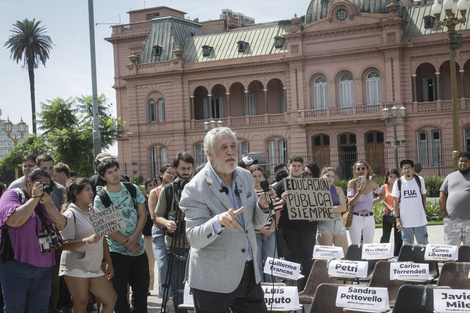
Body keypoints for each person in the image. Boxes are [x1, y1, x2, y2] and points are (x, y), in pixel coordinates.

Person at [179, 127, 271, 313]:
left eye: (233, 146)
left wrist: (263, 207)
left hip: (248, 274)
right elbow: (194, 238)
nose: (230, 151)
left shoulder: (245, 176)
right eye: (223, 147)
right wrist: (217, 222)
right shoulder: (194, 188)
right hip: (212, 280)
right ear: (209, 153)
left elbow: (256, 224)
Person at [0, 168, 67, 313]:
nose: (44, 188)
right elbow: (14, 220)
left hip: (43, 268)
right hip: (15, 266)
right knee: (14, 309)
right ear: (29, 182)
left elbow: (61, 224)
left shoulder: (45, 202)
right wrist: (34, 198)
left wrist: (48, 204)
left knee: (40, 309)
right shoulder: (12, 195)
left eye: (47, 185)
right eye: (40, 184)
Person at [93, 158, 149, 313]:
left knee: (141, 294)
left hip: (139, 251)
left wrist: (135, 238)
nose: (115, 174)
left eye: (116, 170)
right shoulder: (101, 197)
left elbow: (142, 215)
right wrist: (128, 243)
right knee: (119, 298)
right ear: (103, 177)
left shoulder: (132, 189)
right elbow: (107, 229)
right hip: (117, 254)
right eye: (109, 172)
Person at [59, 178, 117, 313]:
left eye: (91, 189)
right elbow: (63, 245)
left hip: (94, 265)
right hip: (76, 265)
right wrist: (86, 241)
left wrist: (108, 262)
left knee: (111, 298)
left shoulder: (95, 211)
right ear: (76, 194)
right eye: (87, 190)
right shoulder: (70, 214)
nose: (92, 192)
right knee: (81, 304)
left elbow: (103, 238)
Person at [155, 152, 194, 313]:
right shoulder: (168, 190)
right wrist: (167, 223)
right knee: (178, 289)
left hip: (195, 245)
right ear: (175, 168)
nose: (186, 172)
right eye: (183, 168)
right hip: (174, 247)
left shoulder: (199, 188)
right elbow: (157, 216)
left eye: (189, 168)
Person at [274, 155, 318, 290]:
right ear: (289, 166)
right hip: (289, 229)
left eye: (299, 166)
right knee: (291, 259)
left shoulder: (309, 183)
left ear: (302, 167)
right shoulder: (280, 185)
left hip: (308, 228)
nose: (296, 168)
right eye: (294, 166)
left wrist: (314, 213)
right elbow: (272, 206)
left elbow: (318, 203)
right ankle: (293, 288)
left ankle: (308, 289)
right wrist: (282, 201)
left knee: (307, 258)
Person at [35, 154, 66, 313]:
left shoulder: (59, 189)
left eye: (50, 168)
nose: (48, 171)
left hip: (52, 243)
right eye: (44, 168)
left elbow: (61, 221)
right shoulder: (19, 187)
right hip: (30, 245)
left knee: (54, 284)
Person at [149, 164, 176, 309]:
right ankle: (165, 301)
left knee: (175, 265)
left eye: (173, 173)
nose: (171, 175)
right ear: (160, 174)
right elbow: (154, 216)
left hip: (175, 232)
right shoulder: (155, 192)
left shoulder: (177, 190)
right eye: (168, 173)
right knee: (163, 265)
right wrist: (166, 223)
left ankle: (172, 300)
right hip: (159, 231)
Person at [250, 165, 282, 283]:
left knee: (272, 261)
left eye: (259, 176)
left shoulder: (270, 191)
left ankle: (274, 286)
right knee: (256, 262)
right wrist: (261, 229)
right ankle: (259, 287)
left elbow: (277, 211)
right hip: (254, 232)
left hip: (270, 232)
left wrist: (271, 229)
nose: (257, 179)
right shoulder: (248, 193)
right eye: (254, 176)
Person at [347, 160, 384, 245]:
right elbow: (350, 203)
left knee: (368, 246)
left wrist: (374, 202)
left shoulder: (372, 183)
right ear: (355, 171)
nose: (360, 171)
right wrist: (359, 193)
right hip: (356, 217)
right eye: (358, 169)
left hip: (369, 218)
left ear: (367, 170)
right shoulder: (352, 183)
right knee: (355, 245)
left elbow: (382, 194)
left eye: (363, 168)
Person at [392, 159, 428, 245]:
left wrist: (423, 210)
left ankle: (423, 259)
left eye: (409, 168)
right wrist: (397, 219)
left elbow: (424, 195)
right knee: (408, 246)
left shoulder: (420, 180)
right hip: (405, 222)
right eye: (405, 168)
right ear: (401, 170)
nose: (407, 170)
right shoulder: (398, 182)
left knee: (423, 244)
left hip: (420, 220)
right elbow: (396, 202)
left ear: (413, 169)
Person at [440, 152, 470, 245]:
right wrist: (443, 211)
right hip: (452, 220)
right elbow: (443, 193)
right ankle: (451, 260)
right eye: (461, 161)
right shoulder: (450, 176)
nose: (463, 163)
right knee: (451, 249)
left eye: (466, 161)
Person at [316, 167, 348, 255]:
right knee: (326, 256)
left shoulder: (338, 189)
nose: (330, 178)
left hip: (338, 222)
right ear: (322, 176)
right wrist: (335, 208)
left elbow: (343, 208)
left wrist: (327, 208)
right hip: (325, 223)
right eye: (328, 175)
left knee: (344, 255)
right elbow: (317, 208)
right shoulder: (317, 190)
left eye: (333, 176)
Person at [380, 168, 402, 256]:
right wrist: (391, 209)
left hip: (398, 214)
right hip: (388, 213)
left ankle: (397, 254)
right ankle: (382, 253)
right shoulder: (384, 187)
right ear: (387, 177)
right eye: (390, 177)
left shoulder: (400, 187)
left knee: (398, 236)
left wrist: (396, 211)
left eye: (394, 177)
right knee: (385, 235)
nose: (392, 178)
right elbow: (383, 201)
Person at [142, 177, 158, 295]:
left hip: (161, 235)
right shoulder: (142, 201)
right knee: (149, 265)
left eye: (154, 184)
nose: (152, 187)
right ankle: (146, 287)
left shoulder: (161, 198)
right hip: (148, 236)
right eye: (150, 185)